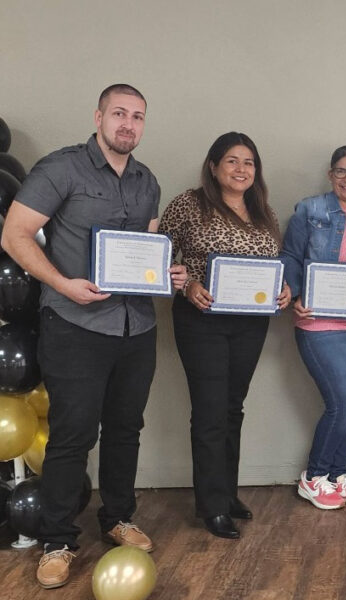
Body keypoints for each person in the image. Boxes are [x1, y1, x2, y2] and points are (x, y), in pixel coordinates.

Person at [1, 84, 187, 589]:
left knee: (127, 428)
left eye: (138, 117)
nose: (129, 124)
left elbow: (143, 250)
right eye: (120, 113)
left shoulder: (148, 181)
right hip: (74, 325)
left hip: (136, 326)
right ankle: (57, 541)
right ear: (99, 115)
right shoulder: (61, 169)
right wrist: (63, 284)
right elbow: (14, 234)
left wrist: (166, 274)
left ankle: (118, 518)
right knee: (72, 436)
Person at [158, 132, 290, 539]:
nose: (241, 169)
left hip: (251, 322)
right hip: (203, 320)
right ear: (214, 166)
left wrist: (282, 289)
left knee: (233, 408)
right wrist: (188, 285)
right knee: (211, 411)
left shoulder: (263, 210)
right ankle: (212, 506)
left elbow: (274, 262)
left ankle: (227, 494)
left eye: (248, 162)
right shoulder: (189, 204)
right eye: (231, 161)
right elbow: (159, 256)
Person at [280, 146, 346, 510]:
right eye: (341, 172)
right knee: (342, 402)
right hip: (321, 323)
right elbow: (292, 256)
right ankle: (313, 477)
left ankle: (337, 476)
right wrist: (294, 292)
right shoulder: (310, 210)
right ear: (331, 175)